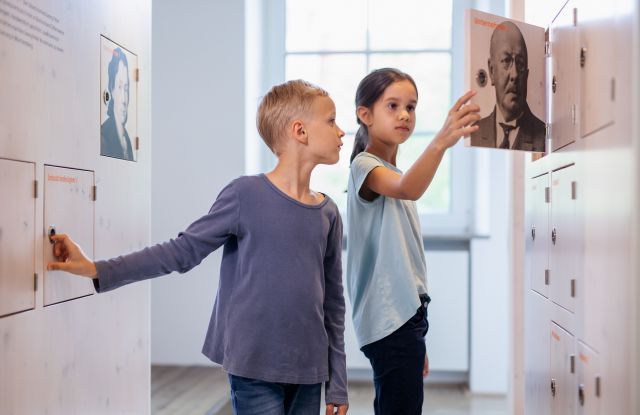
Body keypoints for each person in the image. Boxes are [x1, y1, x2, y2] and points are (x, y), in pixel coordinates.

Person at [49, 80, 349, 415]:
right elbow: (181, 252)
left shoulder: (328, 212)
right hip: (253, 365)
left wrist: (337, 381)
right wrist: (97, 269)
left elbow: (333, 305)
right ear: (300, 131)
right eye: (332, 120)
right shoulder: (244, 195)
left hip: (309, 370)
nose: (341, 132)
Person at [347, 68, 480, 414]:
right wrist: (442, 140)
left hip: (406, 318)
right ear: (365, 114)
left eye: (411, 106)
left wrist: (415, 338)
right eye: (392, 105)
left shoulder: (391, 171)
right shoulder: (365, 166)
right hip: (392, 321)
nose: (405, 114)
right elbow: (409, 187)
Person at [470, 21, 545, 152]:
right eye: (506, 61)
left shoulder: (543, 137)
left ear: (526, 75)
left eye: (520, 64)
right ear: (492, 71)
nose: (514, 75)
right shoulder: (474, 134)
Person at [101, 47, 135, 161]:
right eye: (119, 87)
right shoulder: (103, 136)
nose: (124, 100)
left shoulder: (127, 139)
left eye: (126, 88)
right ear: (112, 89)